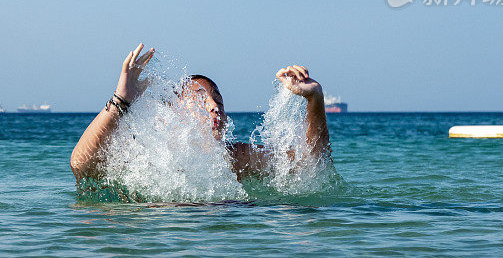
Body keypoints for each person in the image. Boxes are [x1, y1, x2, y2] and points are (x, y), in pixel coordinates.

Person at [69, 43, 331, 181]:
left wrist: (314, 99)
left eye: (218, 100)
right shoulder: (151, 162)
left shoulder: (234, 157)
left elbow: (312, 165)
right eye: (199, 98)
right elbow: (81, 166)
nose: (213, 105)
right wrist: (120, 101)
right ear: (174, 116)